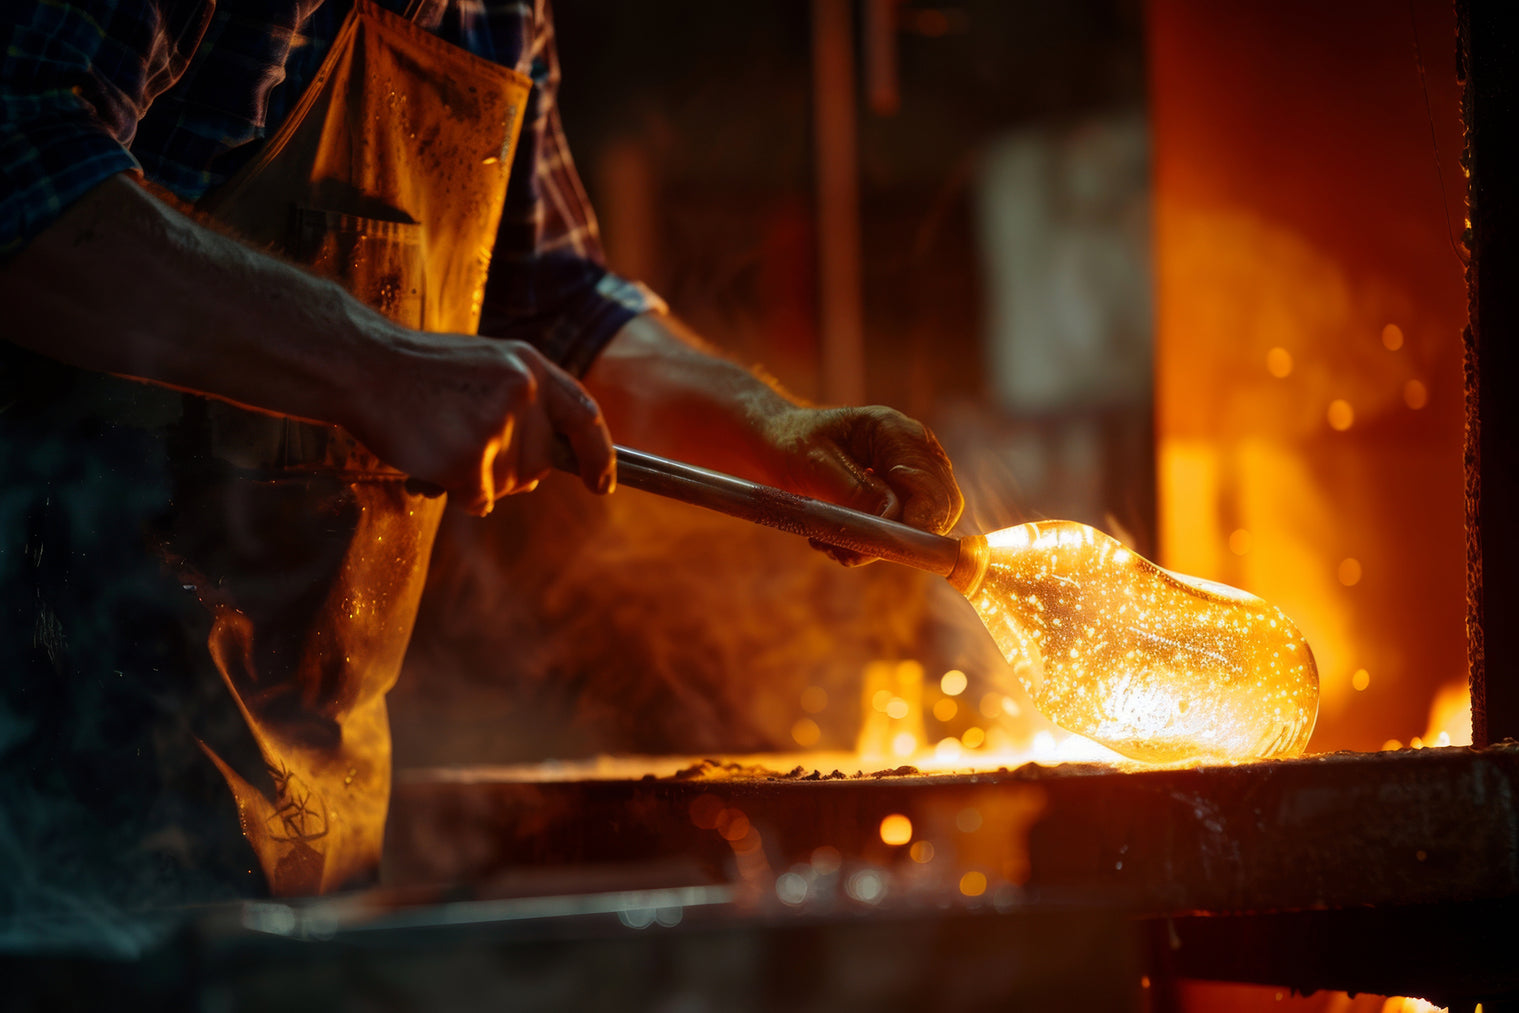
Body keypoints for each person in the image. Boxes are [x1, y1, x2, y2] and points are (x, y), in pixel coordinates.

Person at [0, 0, 963, 914]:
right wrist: (372, 361)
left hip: (305, 810)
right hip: (50, 771)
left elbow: (548, 302)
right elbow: (18, 157)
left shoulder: (499, 11)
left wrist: (776, 432)